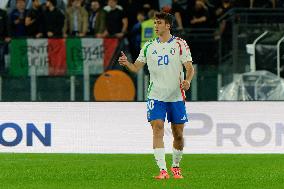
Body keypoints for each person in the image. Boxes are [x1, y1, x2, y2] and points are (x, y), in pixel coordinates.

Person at [118, 11, 194, 179]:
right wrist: (127, 64)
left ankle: (175, 166)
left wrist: (187, 80)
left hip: (176, 96)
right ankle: (162, 170)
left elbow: (189, 67)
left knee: (178, 135)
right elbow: (136, 67)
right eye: (155, 23)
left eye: (159, 23)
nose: (156, 26)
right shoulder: (149, 46)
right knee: (157, 127)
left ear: (168, 25)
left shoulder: (180, 44)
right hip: (156, 95)